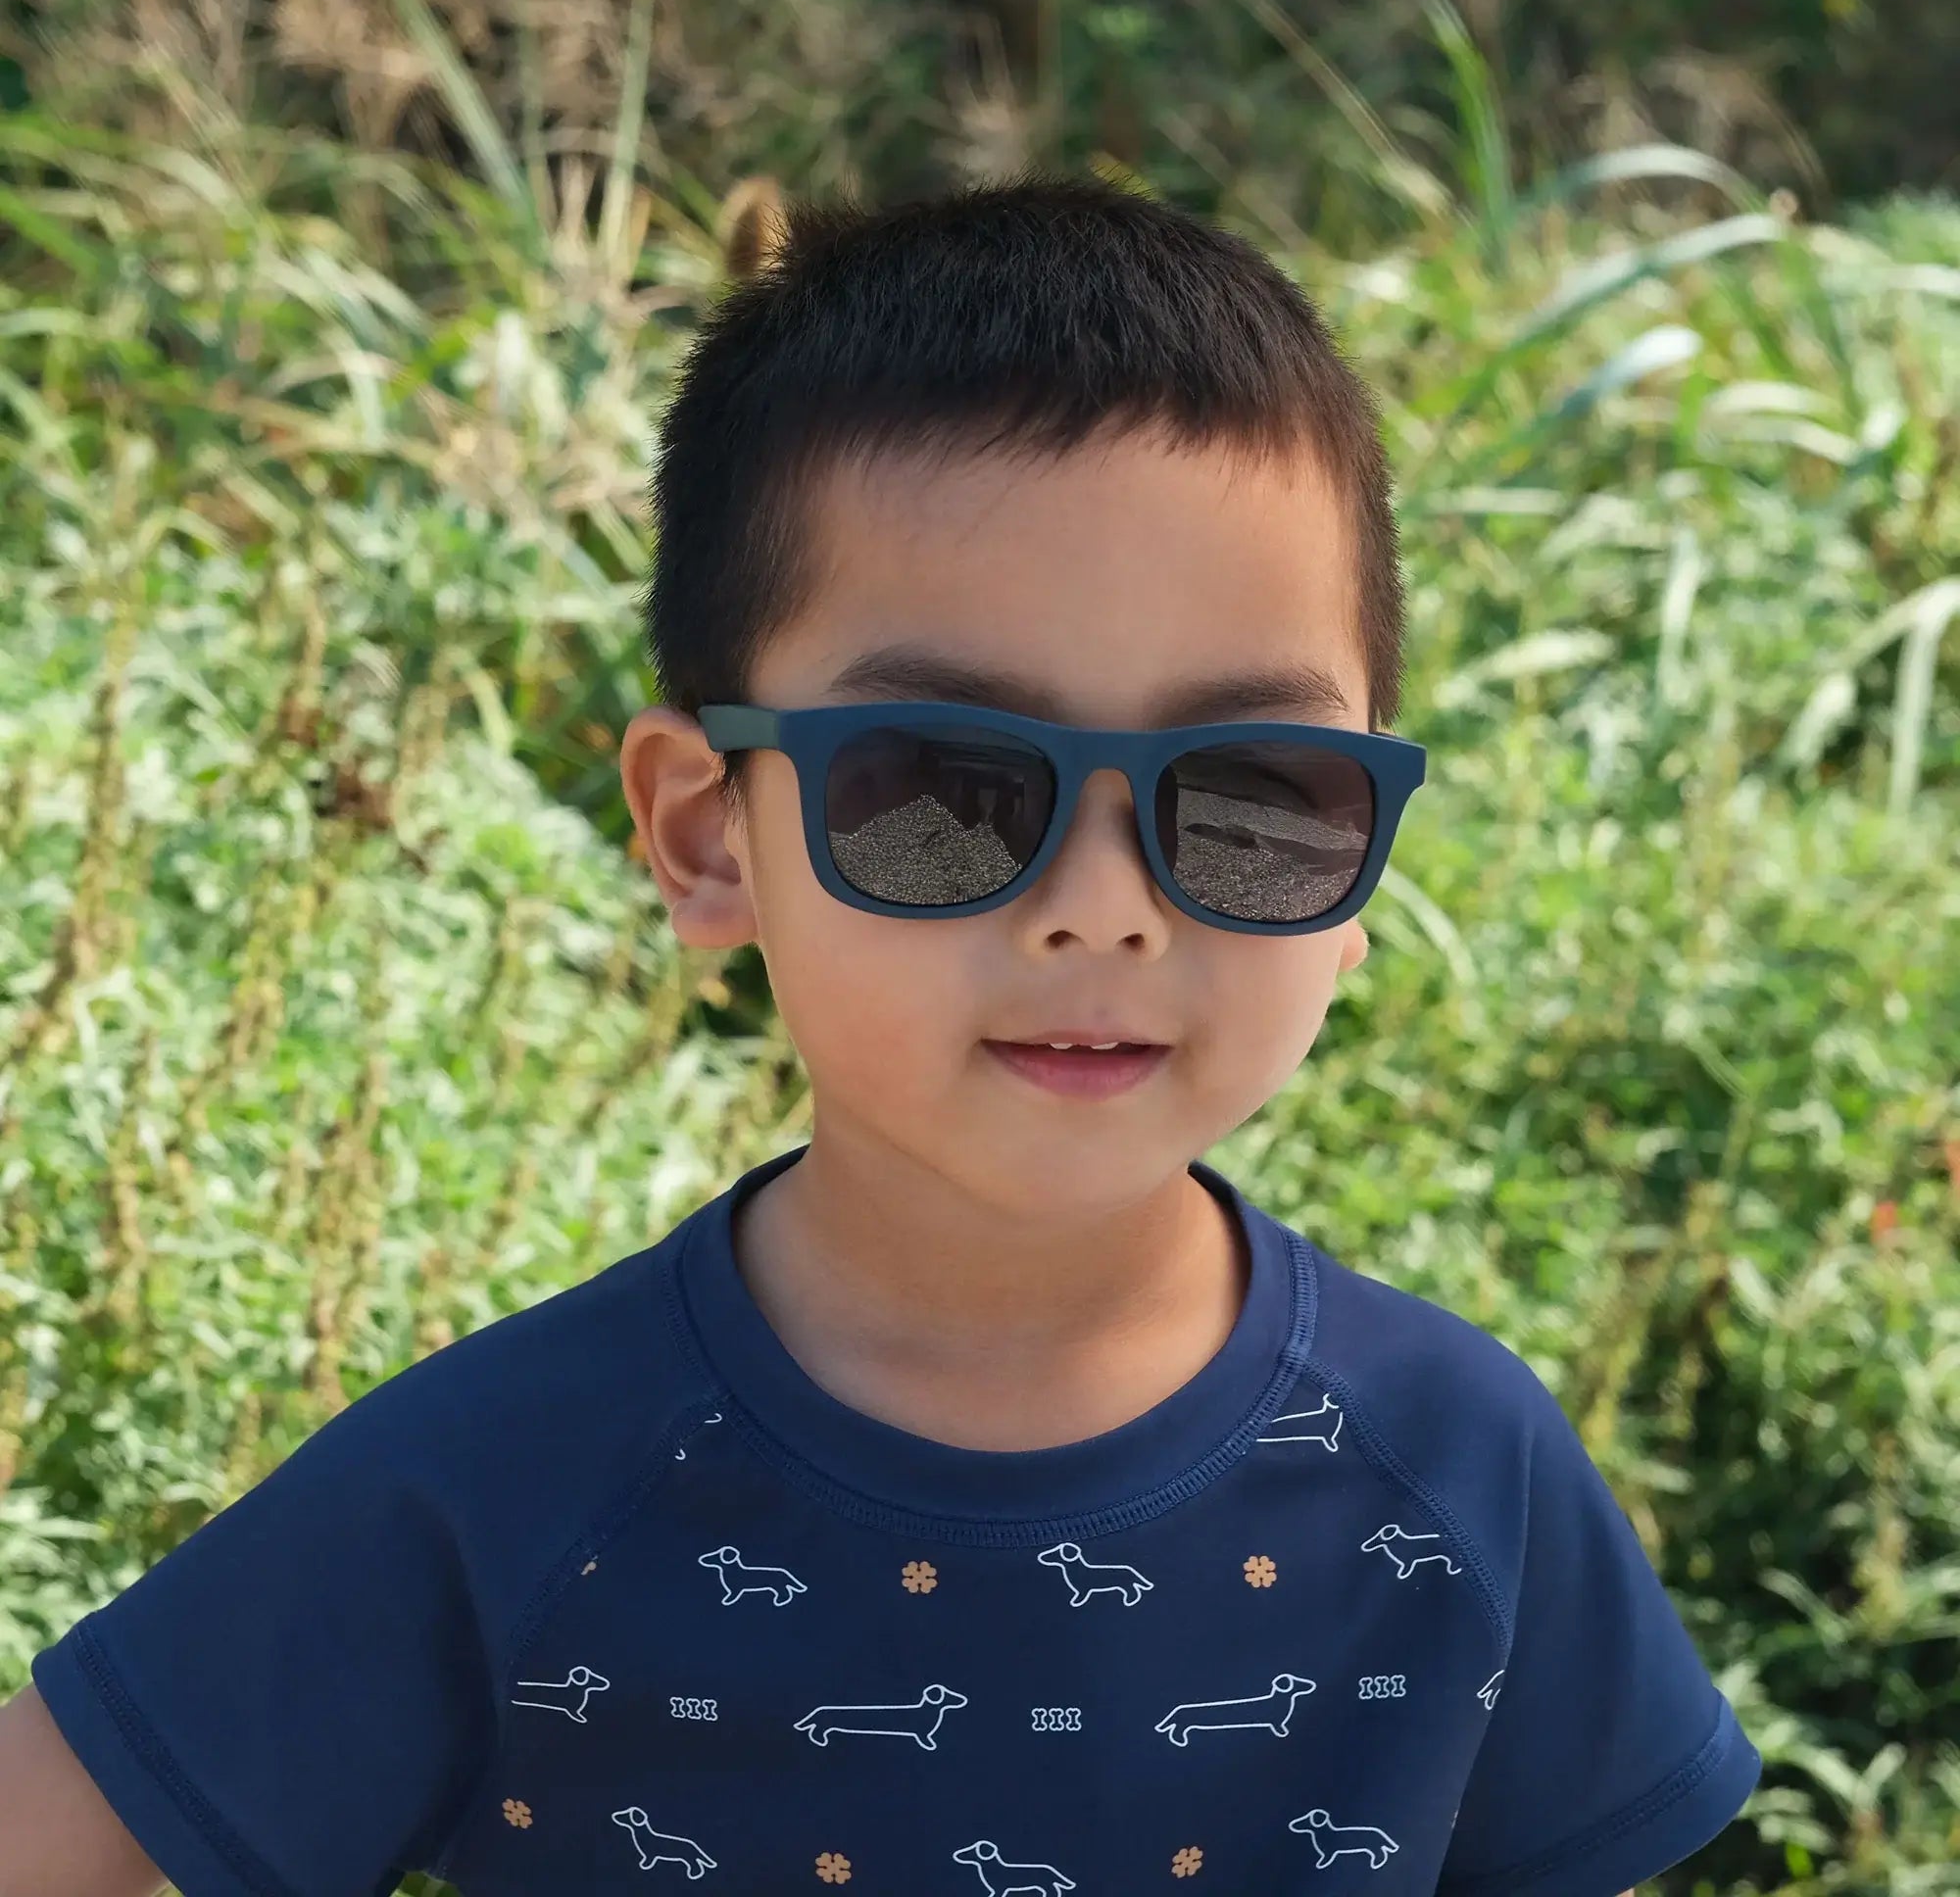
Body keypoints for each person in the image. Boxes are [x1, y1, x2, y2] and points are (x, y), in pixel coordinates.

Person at [0, 172, 1760, 1897]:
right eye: (941, 791)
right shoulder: (501, 1483)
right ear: (710, 834)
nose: (1103, 907)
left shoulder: (1458, 1461)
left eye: (1252, 796)